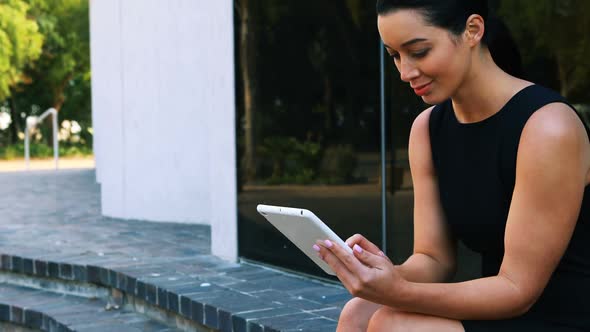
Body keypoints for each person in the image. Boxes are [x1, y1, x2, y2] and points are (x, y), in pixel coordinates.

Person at [311, 0, 590, 331]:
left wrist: (398, 291)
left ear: (473, 30)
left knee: (392, 323)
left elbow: (519, 289)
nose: (404, 72)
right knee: (359, 311)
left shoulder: (547, 128)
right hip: (497, 305)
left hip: (559, 314)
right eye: (395, 55)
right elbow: (433, 260)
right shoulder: (428, 129)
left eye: (419, 51)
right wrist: (379, 275)